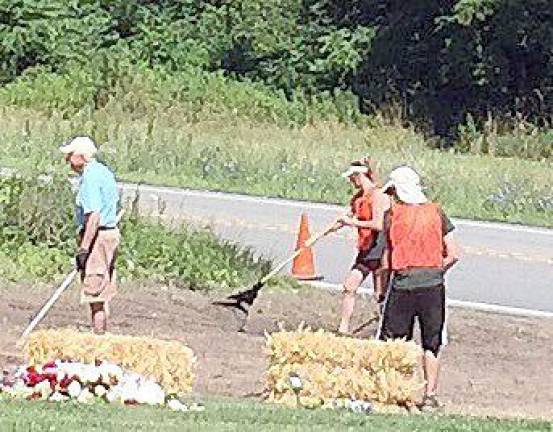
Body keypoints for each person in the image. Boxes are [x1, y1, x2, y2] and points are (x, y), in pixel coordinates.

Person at [377, 165, 460, 411]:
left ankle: (394, 391)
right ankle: (430, 396)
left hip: (402, 284)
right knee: (431, 343)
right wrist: (435, 270)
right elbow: (454, 254)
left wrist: (381, 292)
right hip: (433, 286)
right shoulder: (437, 212)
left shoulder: (392, 215)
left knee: (395, 342)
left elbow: (385, 260)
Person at [59, 136, 120, 334]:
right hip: (108, 235)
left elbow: (93, 215)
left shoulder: (91, 177)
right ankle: (99, 336)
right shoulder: (102, 172)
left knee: (95, 293)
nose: (67, 160)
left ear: (81, 156)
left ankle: (98, 342)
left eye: (70, 155)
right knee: (101, 292)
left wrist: (84, 248)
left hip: (98, 237)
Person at [335, 159, 391, 335]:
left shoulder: (378, 196)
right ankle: (343, 328)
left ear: (360, 176)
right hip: (366, 248)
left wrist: (352, 222)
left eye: (353, 177)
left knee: (380, 293)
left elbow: (378, 224)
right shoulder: (358, 198)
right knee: (349, 285)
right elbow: (349, 215)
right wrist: (335, 226)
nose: (351, 181)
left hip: (380, 247)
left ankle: (385, 328)